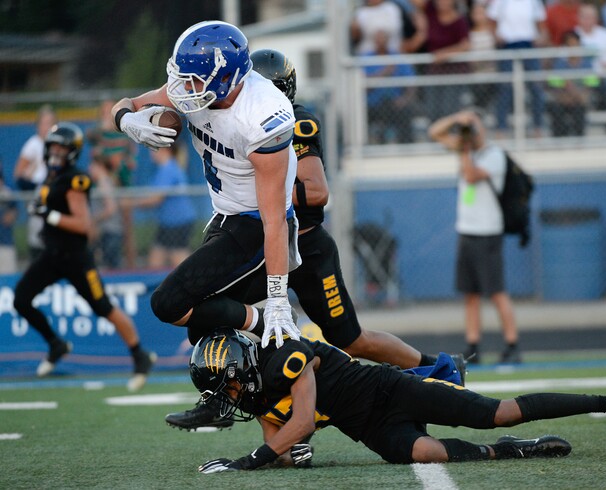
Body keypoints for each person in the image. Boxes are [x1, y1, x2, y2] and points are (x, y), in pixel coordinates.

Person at [164, 48, 463, 431]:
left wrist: (265, 188)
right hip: (264, 249)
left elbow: (317, 191)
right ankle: (224, 400)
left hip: (306, 248)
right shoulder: (234, 115)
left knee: (351, 339)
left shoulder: (293, 122)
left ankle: (441, 368)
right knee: (208, 314)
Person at [188, 329, 606, 472]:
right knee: (425, 452)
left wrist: (247, 462)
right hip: (371, 429)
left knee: (493, 412)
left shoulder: (284, 357)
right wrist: (279, 458)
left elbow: (301, 426)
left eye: (226, 386)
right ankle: (516, 448)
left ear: (241, 369)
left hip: (391, 389)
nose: (228, 397)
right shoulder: (256, 393)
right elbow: (286, 446)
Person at [111, 21, 301, 383]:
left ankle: (265, 320)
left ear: (227, 77)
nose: (185, 88)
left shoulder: (262, 114)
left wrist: (278, 297)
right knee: (202, 332)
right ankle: (223, 400)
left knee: (169, 303)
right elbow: (130, 103)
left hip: (253, 225)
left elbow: (274, 219)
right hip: (223, 218)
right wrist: (127, 121)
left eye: (194, 80)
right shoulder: (199, 87)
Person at [12, 123, 156, 391]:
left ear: (72, 152)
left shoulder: (75, 179)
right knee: (21, 299)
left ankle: (140, 356)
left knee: (103, 307)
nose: (55, 152)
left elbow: (83, 225)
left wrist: (47, 214)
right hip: (52, 255)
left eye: (61, 148)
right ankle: (56, 345)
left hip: (76, 258)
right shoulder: (51, 177)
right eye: (52, 147)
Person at [428, 110, 520, 364]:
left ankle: (512, 344)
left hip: (487, 233)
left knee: (497, 292)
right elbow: (434, 132)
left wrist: (466, 145)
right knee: (470, 293)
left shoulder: (494, 156)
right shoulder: (465, 150)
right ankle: (473, 345)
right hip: (467, 232)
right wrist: (458, 119)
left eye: (475, 126)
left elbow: (470, 175)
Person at [121, 144, 196, 269]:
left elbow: (155, 199)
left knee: (179, 260)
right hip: (168, 223)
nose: (152, 153)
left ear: (166, 150)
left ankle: (195, 285)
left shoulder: (168, 168)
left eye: (155, 149)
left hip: (177, 222)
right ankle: (156, 287)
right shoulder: (164, 168)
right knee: (155, 260)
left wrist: (131, 203)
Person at [86, 100, 139, 267]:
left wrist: (119, 160)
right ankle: (99, 265)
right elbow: (95, 155)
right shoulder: (99, 135)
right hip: (106, 187)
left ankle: (131, 266)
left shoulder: (123, 133)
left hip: (122, 186)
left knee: (127, 229)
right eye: (105, 111)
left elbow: (130, 161)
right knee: (100, 231)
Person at [487, 0, 549, 137]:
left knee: (536, 86)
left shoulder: (533, 2)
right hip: (507, 46)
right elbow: (491, 22)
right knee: (505, 88)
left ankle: (537, 127)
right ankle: (501, 128)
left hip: (528, 45)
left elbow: (542, 26)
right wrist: (497, 36)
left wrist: (540, 38)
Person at [13, 105, 57, 260]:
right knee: (39, 238)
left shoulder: (56, 144)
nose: (47, 127)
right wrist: (32, 176)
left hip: (55, 194)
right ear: (38, 125)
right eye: (44, 123)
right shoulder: (34, 144)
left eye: (50, 122)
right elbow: (18, 175)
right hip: (39, 194)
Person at [361, 30, 420, 144]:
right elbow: (364, 84)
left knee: (407, 112)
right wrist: (384, 73)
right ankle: (376, 146)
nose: (380, 42)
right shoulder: (366, 59)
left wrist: (404, 99)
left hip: (395, 103)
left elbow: (411, 84)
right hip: (373, 104)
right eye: (378, 39)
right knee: (372, 113)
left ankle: (406, 147)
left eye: (383, 38)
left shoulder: (398, 58)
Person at [575, 3, 606, 133]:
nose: (588, 20)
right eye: (584, 16)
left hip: (603, 76)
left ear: (596, 19)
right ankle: (581, 124)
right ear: (578, 18)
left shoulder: (605, 34)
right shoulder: (573, 36)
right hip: (582, 77)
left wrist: (603, 69)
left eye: (591, 17)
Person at [545, 30, 599, 137]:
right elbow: (552, 81)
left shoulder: (586, 63)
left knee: (580, 107)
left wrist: (578, 93)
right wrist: (565, 85)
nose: (573, 47)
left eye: (575, 44)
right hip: (563, 97)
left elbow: (593, 82)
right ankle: (559, 138)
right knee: (556, 107)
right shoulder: (560, 63)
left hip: (581, 97)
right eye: (570, 45)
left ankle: (579, 138)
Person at [88, 157, 123, 269]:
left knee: (111, 267)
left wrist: (94, 219)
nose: (90, 169)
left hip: (109, 231)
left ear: (100, 167)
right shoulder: (106, 181)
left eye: (93, 166)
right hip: (109, 231)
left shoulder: (104, 182)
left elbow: (110, 208)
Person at [0, 167, 18, 274]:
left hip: (6, 243)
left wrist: (12, 214)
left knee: (7, 274)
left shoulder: (8, 192)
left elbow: (13, 212)